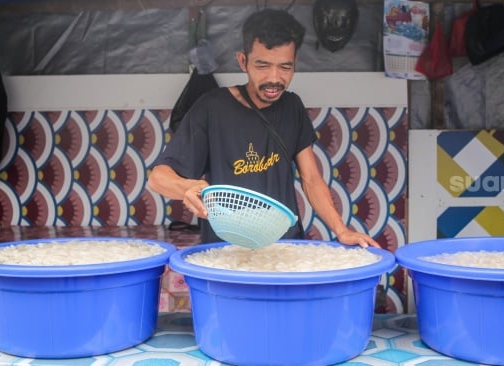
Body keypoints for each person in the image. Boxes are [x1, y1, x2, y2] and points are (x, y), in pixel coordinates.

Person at [147, 8, 379, 248]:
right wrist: (186, 187)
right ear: (243, 61)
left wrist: (342, 230)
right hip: (226, 253)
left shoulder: (292, 106)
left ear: (295, 63)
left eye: (285, 67)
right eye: (262, 65)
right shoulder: (211, 108)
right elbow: (157, 178)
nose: (274, 78)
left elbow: (311, 179)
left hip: (284, 250)